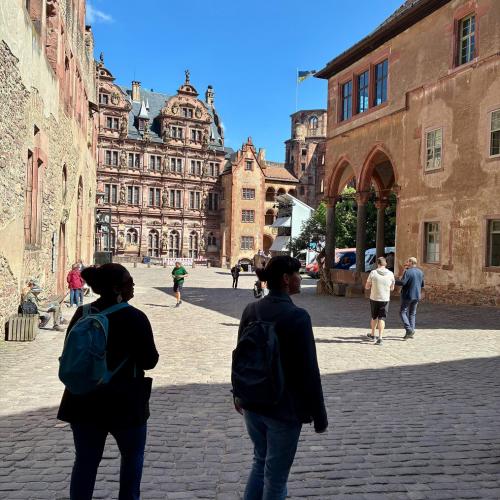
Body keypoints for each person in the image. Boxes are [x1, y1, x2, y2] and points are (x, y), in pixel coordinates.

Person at [57, 263, 159, 500]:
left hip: (83, 399)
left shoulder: (82, 313)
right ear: (116, 288)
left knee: (85, 462)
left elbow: (71, 353)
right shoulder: (135, 317)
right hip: (124, 401)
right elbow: (149, 361)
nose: (133, 285)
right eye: (129, 281)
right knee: (132, 459)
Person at [235, 256, 328, 499]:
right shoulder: (298, 316)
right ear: (286, 279)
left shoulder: (251, 309)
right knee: (276, 479)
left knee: (259, 462)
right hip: (283, 408)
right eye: (297, 274)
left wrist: (237, 394)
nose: (300, 278)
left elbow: (240, 355)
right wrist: (319, 416)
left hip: (253, 402)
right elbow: (309, 370)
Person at [365, 256, 395, 346]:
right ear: (385, 264)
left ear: (377, 263)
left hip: (374, 298)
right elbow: (392, 288)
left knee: (374, 317)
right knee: (382, 318)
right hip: (385, 299)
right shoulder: (390, 274)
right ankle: (380, 338)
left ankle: (373, 334)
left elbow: (367, 286)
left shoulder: (373, 273)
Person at [395, 257, 425, 340]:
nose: (406, 263)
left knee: (402, 312)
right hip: (417, 295)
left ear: (411, 262)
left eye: (408, 261)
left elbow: (403, 282)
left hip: (408, 295)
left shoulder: (408, 272)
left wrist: (394, 281)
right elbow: (422, 284)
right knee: (412, 313)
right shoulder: (420, 272)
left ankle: (408, 329)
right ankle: (411, 332)